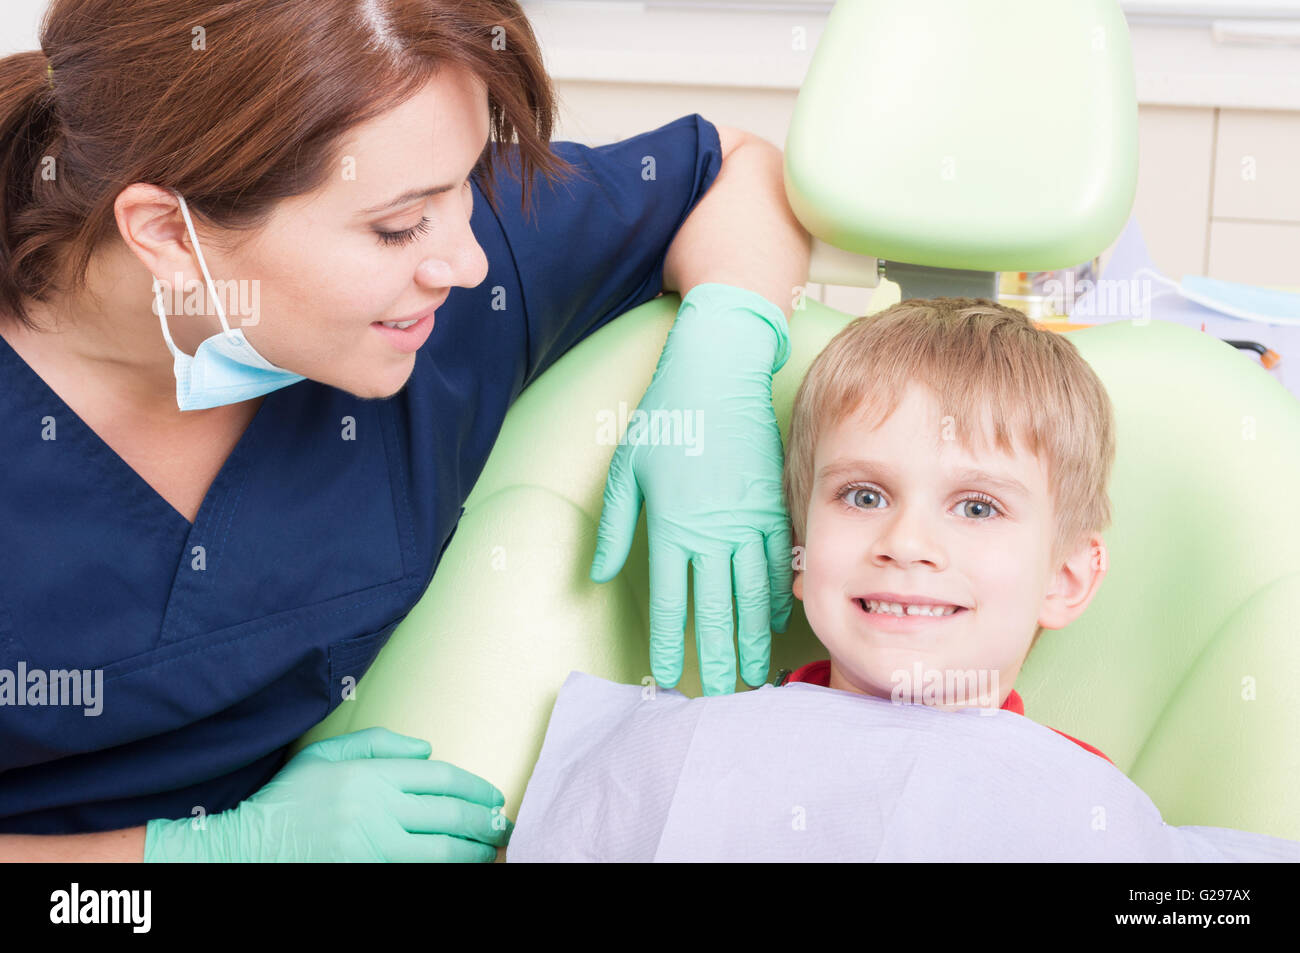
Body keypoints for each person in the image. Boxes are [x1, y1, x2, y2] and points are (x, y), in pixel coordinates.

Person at [0, 0, 810, 860]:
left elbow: (735, 169)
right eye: (394, 228)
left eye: (464, 182)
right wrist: (205, 852)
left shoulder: (451, 290)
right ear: (167, 230)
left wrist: (726, 351)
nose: (464, 262)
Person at [780, 297, 1116, 761]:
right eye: (865, 497)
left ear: (1063, 578)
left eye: (977, 508)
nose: (905, 544)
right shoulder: (720, 753)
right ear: (801, 547)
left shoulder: (1079, 797)